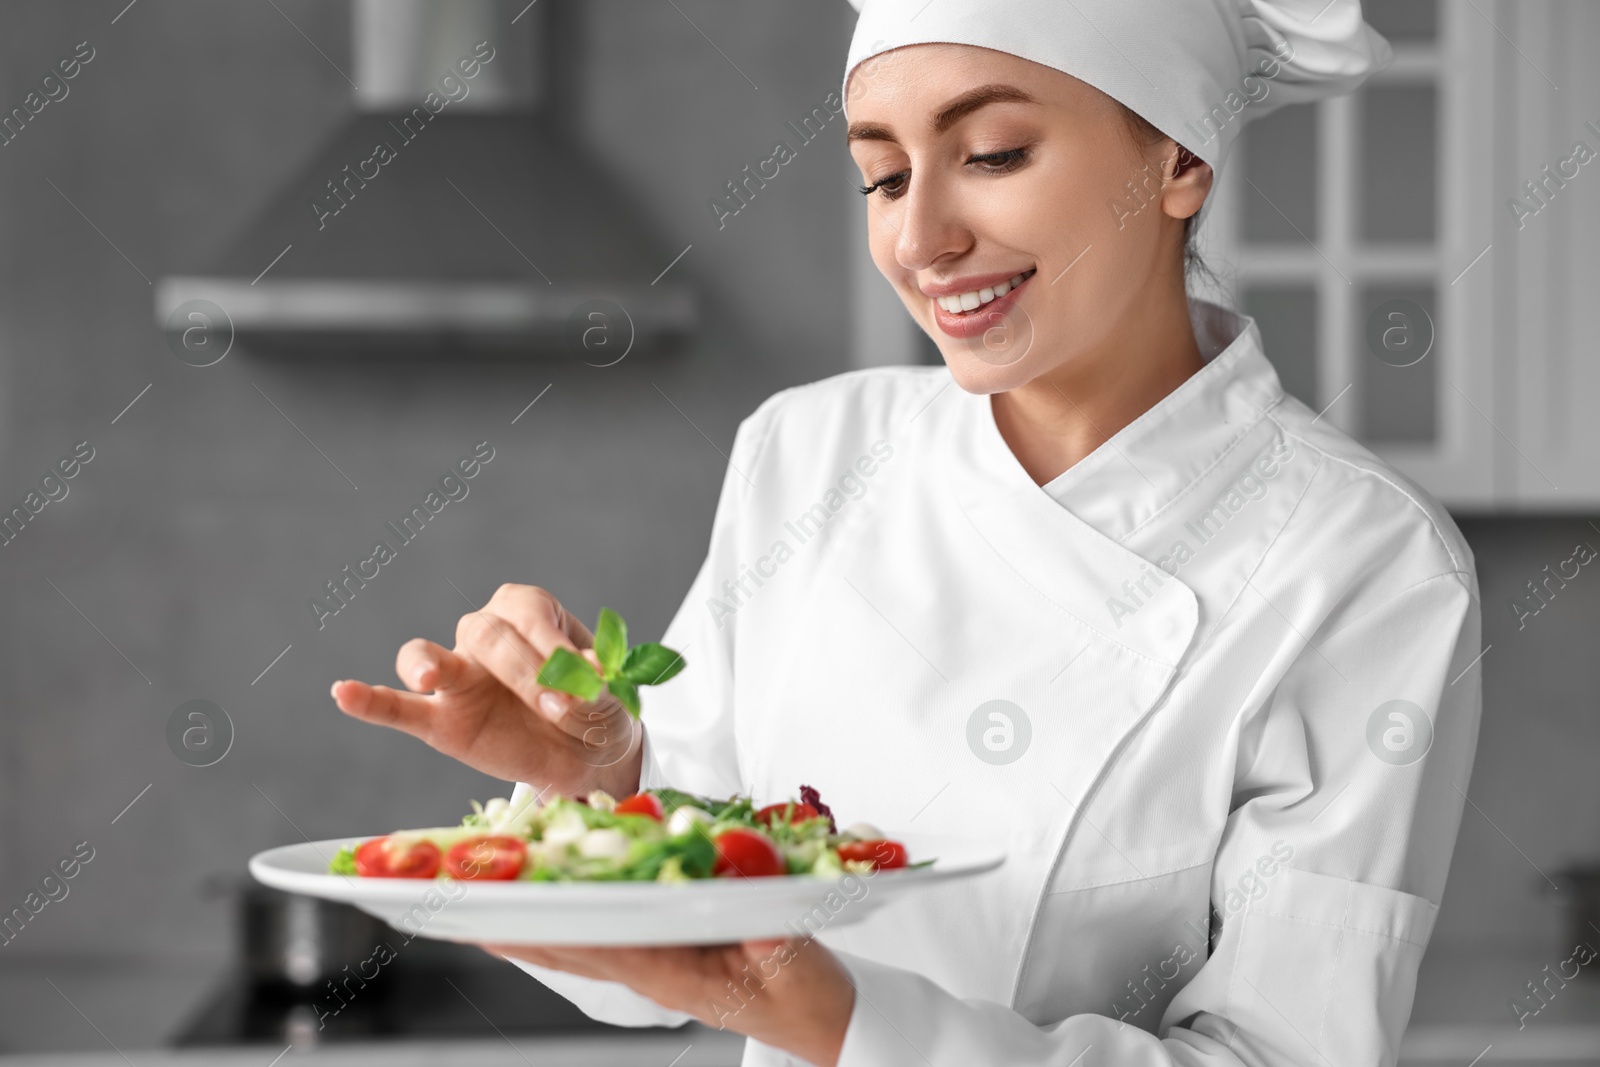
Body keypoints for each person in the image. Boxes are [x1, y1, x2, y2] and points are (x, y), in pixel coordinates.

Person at [331, 1, 1482, 1064]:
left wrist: (846, 1020)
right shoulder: (814, 452)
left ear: (1178, 159)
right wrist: (598, 778)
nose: (921, 238)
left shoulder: (1361, 561)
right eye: (882, 176)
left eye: (990, 155)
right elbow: (657, 967)